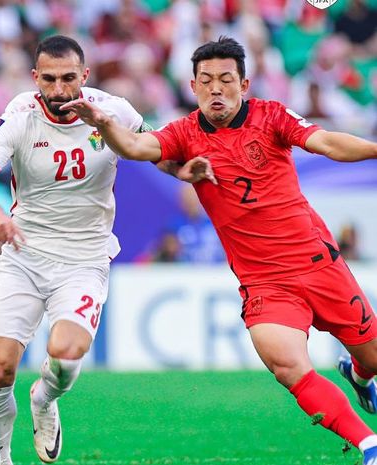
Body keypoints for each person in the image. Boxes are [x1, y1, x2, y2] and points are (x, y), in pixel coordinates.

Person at [62, 36, 377, 465]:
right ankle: (369, 445)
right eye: (206, 80)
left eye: (226, 80)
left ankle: (359, 374)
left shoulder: (272, 116)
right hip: (264, 283)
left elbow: (326, 143)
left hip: (318, 264)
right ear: (193, 87)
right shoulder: (185, 133)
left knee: (371, 358)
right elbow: (136, 147)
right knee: (287, 365)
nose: (216, 89)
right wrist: (103, 123)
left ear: (243, 84)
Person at [0, 35, 206, 465]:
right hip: (24, 253)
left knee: (67, 355)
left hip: (85, 258)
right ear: (35, 78)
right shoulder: (19, 114)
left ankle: (44, 398)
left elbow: (156, 152)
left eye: (68, 78)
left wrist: (183, 170)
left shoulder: (115, 110)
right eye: (48, 79)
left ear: (84, 77)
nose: (58, 90)